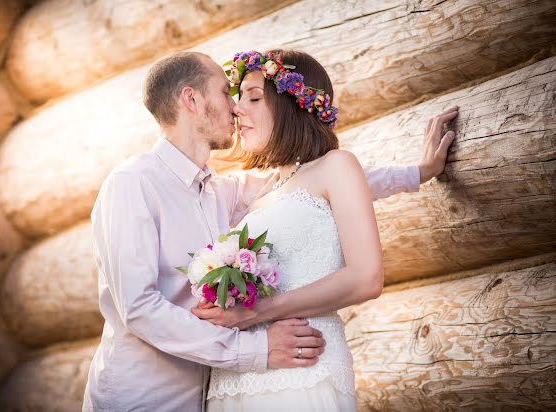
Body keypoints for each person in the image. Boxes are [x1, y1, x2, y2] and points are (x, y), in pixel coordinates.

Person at [83, 50, 456, 412]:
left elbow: (315, 181)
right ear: (191, 100)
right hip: (141, 397)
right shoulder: (132, 183)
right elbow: (139, 309)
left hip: (212, 392)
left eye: (248, 97)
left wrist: (417, 172)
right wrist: (254, 349)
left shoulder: (217, 191)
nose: (234, 106)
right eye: (225, 92)